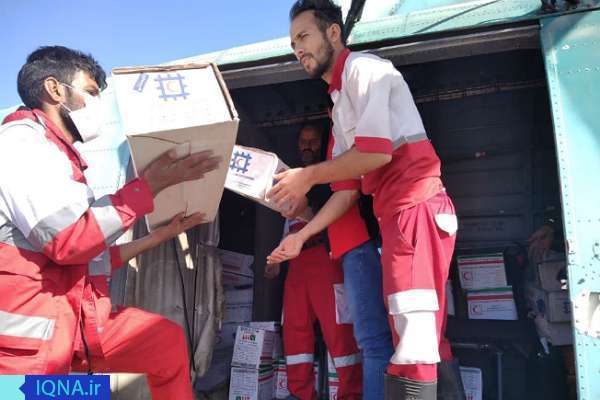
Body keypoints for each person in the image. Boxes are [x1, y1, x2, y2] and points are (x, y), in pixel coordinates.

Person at [0, 46, 222, 400]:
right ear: (54, 89)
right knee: (71, 392)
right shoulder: (21, 144)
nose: (98, 107)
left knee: (165, 341)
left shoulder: (58, 157)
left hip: (75, 322)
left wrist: (163, 234)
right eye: (90, 92)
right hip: (29, 346)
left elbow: (92, 258)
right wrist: (147, 188)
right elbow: (70, 240)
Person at [267, 2, 463, 399]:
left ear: (333, 33)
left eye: (304, 36)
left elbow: (376, 153)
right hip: (397, 218)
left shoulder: (364, 70)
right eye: (292, 43)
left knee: (413, 343)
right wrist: (301, 237)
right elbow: (346, 190)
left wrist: (308, 176)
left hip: (414, 207)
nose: (298, 48)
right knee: (421, 337)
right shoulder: (340, 104)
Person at [268, 125, 393, 400]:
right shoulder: (291, 179)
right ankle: (300, 393)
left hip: (328, 255)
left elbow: (340, 202)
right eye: (303, 140)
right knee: (295, 327)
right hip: (297, 262)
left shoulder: (329, 174)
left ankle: (351, 393)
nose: (308, 145)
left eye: (313, 140)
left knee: (339, 329)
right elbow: (288, 224)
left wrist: (306, 206)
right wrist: (275, 258)